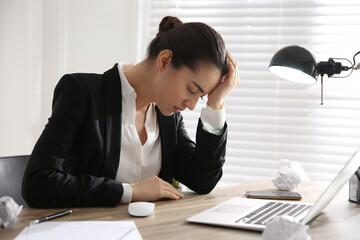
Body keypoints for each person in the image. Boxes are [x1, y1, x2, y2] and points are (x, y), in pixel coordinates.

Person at [22, 16, 239, 208]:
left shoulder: (168, 115)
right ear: (164, 61)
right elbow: (38, 183)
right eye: (191, 90)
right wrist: (130, 191)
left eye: (199, 97)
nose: (192, 105)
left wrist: (216, 104)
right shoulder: (81, 92)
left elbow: (202, 179)